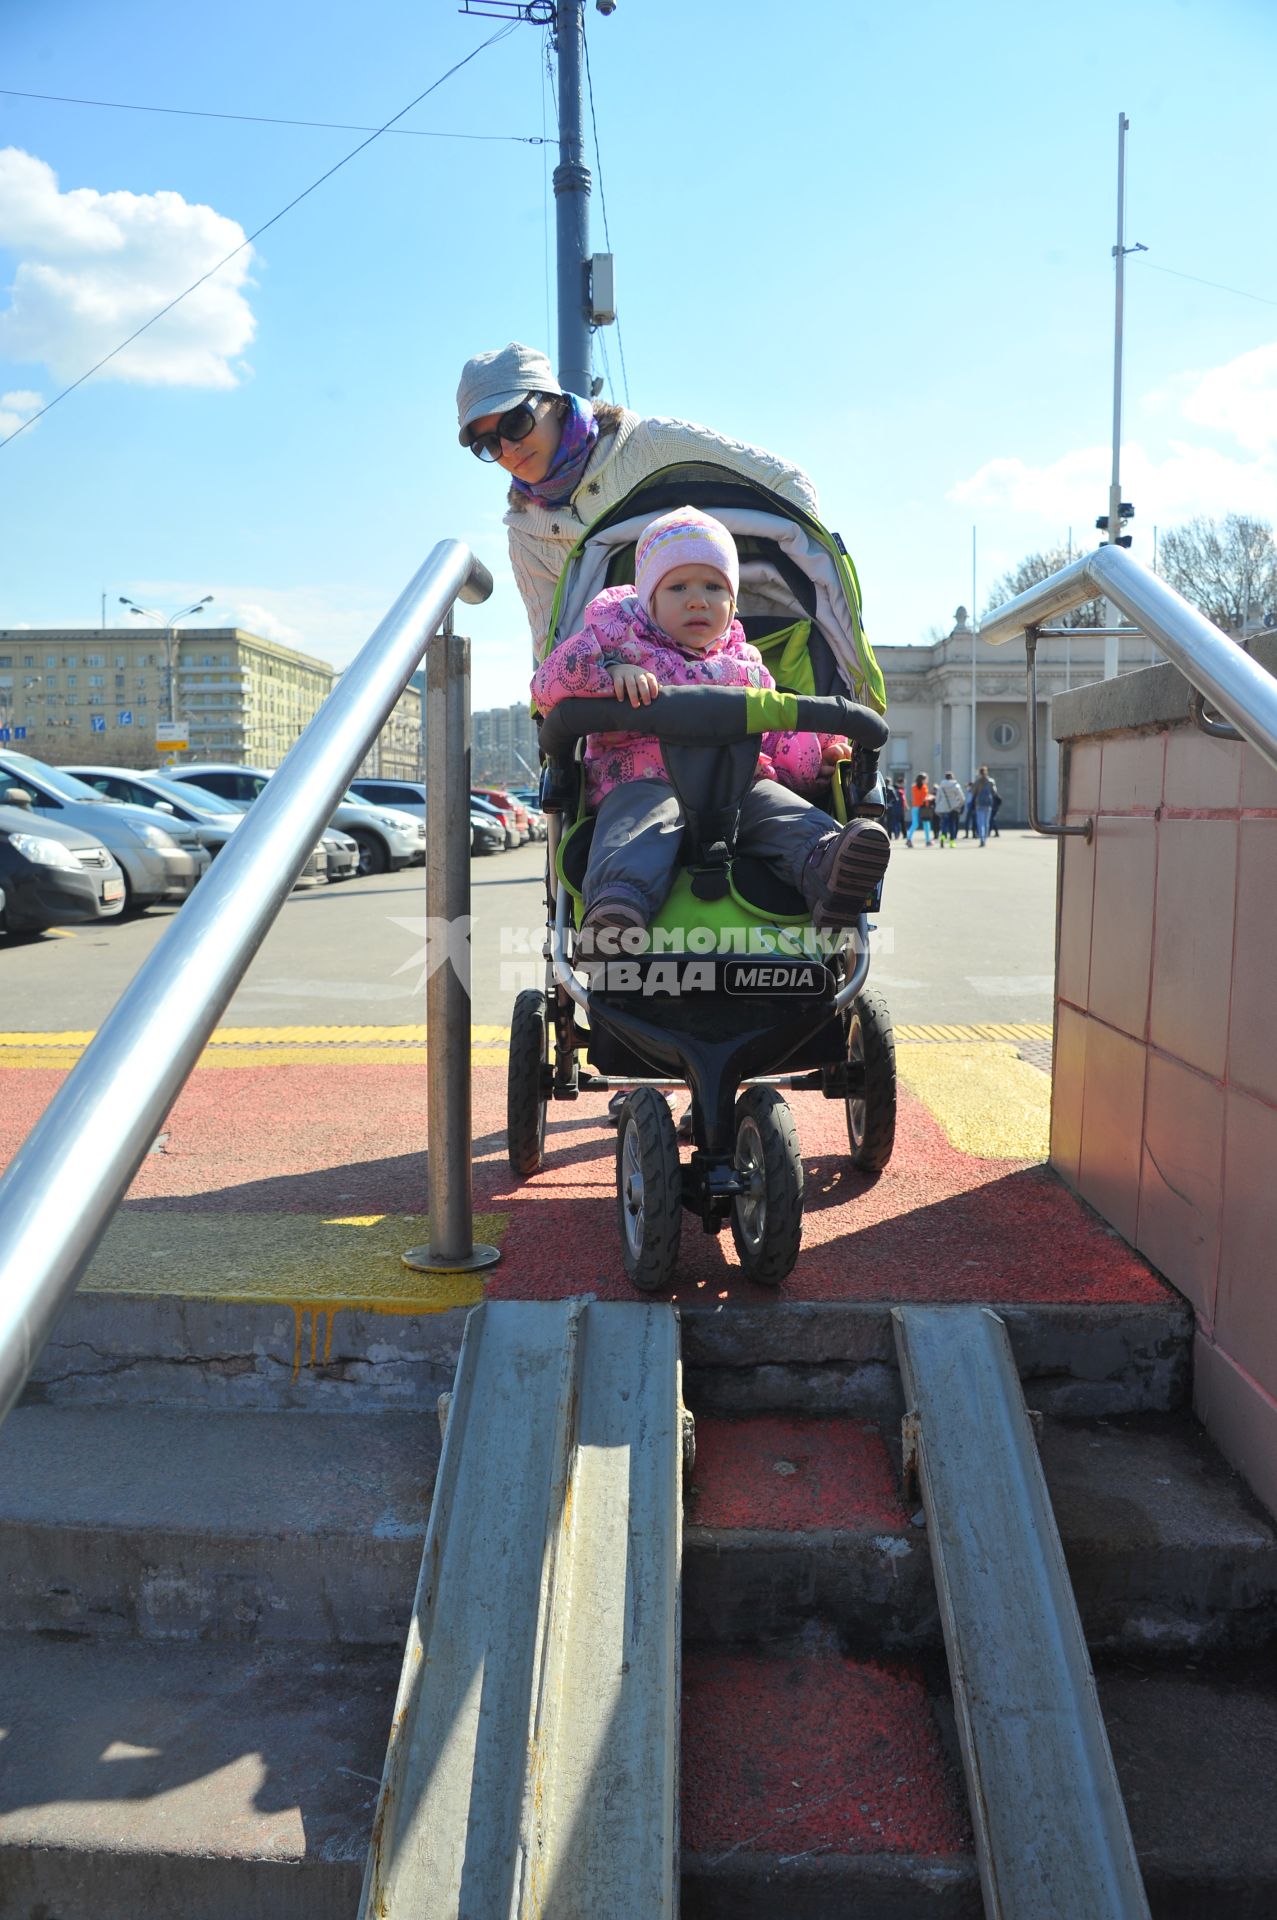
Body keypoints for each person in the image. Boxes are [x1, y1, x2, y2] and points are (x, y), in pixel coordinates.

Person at [530, 507, 891, 945]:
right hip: (644, 783)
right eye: (678, 586)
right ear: (649, 599)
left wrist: (821, 754)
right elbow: (548, 687)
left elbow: (778, 735)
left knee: (780, 809)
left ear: (733, 603)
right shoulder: (620, 642)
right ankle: (617, 909)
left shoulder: (745, 669)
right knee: (639, 822)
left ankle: (828, 869)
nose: (697, 600)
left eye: (713, 587)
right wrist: (609, 670)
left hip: (735, 791)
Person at [457, 342, 821, 665]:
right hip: (639, 702)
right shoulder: (526, 533)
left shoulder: (652, 445)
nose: (508, 448)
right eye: (488, 444)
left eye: (516, 422)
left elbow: (789, 485)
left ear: (553, 401)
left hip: (755, 654)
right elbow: (554, 650)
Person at [937, 770, 965, 845]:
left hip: (944, 807)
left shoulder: (941, 786)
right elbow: (962, 798)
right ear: (952, 777)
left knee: (944, 823)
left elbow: (938, 798)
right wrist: (959, 804)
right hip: (954, 807)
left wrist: (938, 806)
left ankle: (943, 836)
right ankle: (952, 842)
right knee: (952, 824)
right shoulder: (956, 785)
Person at [972, 764, 997, 847]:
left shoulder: (977, 782)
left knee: (980, 823)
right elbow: (994, 792)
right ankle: (985, 839)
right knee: (987, 823)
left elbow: (973, 792)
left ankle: (981, 839)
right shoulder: (991, 781)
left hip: (979, 804)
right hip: (988, 804)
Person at [907, 772, 933, 848]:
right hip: (923, 808)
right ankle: (928, 841)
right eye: (926, 779)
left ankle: (909, 839)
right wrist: (931, 797)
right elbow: (924, 798)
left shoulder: (913, 787)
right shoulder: (924, 787)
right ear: (922, 780)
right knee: (926, 824)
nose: (927, 780)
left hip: (915, 807)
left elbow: (917, 796)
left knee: (914, 824)